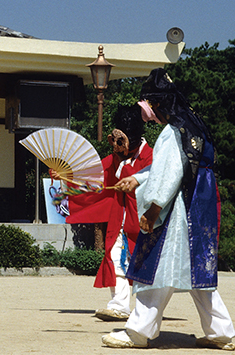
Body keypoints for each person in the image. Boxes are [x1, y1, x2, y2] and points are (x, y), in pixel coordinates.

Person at [102, 68, 235, 350]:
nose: (146, 110)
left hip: (178, 210)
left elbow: (170, 173)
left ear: (157, 104)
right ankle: (220, 332)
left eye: (148, 103)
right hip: (200, 207)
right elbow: (171, 167)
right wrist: (138, 177)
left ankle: (138, 332)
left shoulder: (172, 132)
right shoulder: (195, 126)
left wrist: (153, 210)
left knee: (156, 270)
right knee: (199, 273)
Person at [50, 104, 153, 321]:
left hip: (145, 221)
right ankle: (119, 305)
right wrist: (65, 175)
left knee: (146, 264)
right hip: (120, 219)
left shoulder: (151, 158)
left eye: (120, 141)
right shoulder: (116, 159)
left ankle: (149, 311)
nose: (116, 147)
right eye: (114, 141)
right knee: (114, 257)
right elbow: (91, 176)